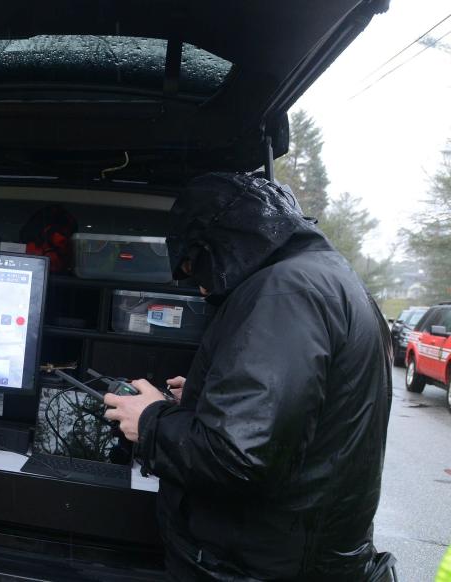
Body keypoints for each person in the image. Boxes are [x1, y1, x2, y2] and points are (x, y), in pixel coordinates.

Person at [103, 173, 395, 581]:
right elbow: (305, 412)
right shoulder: (331, 279)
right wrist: (211, 396)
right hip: (300, 557)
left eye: (192, 264)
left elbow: (238, 458)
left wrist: (150, 420)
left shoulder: (285, 291)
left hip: (255, 567)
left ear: (219, 244)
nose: (198, 287)